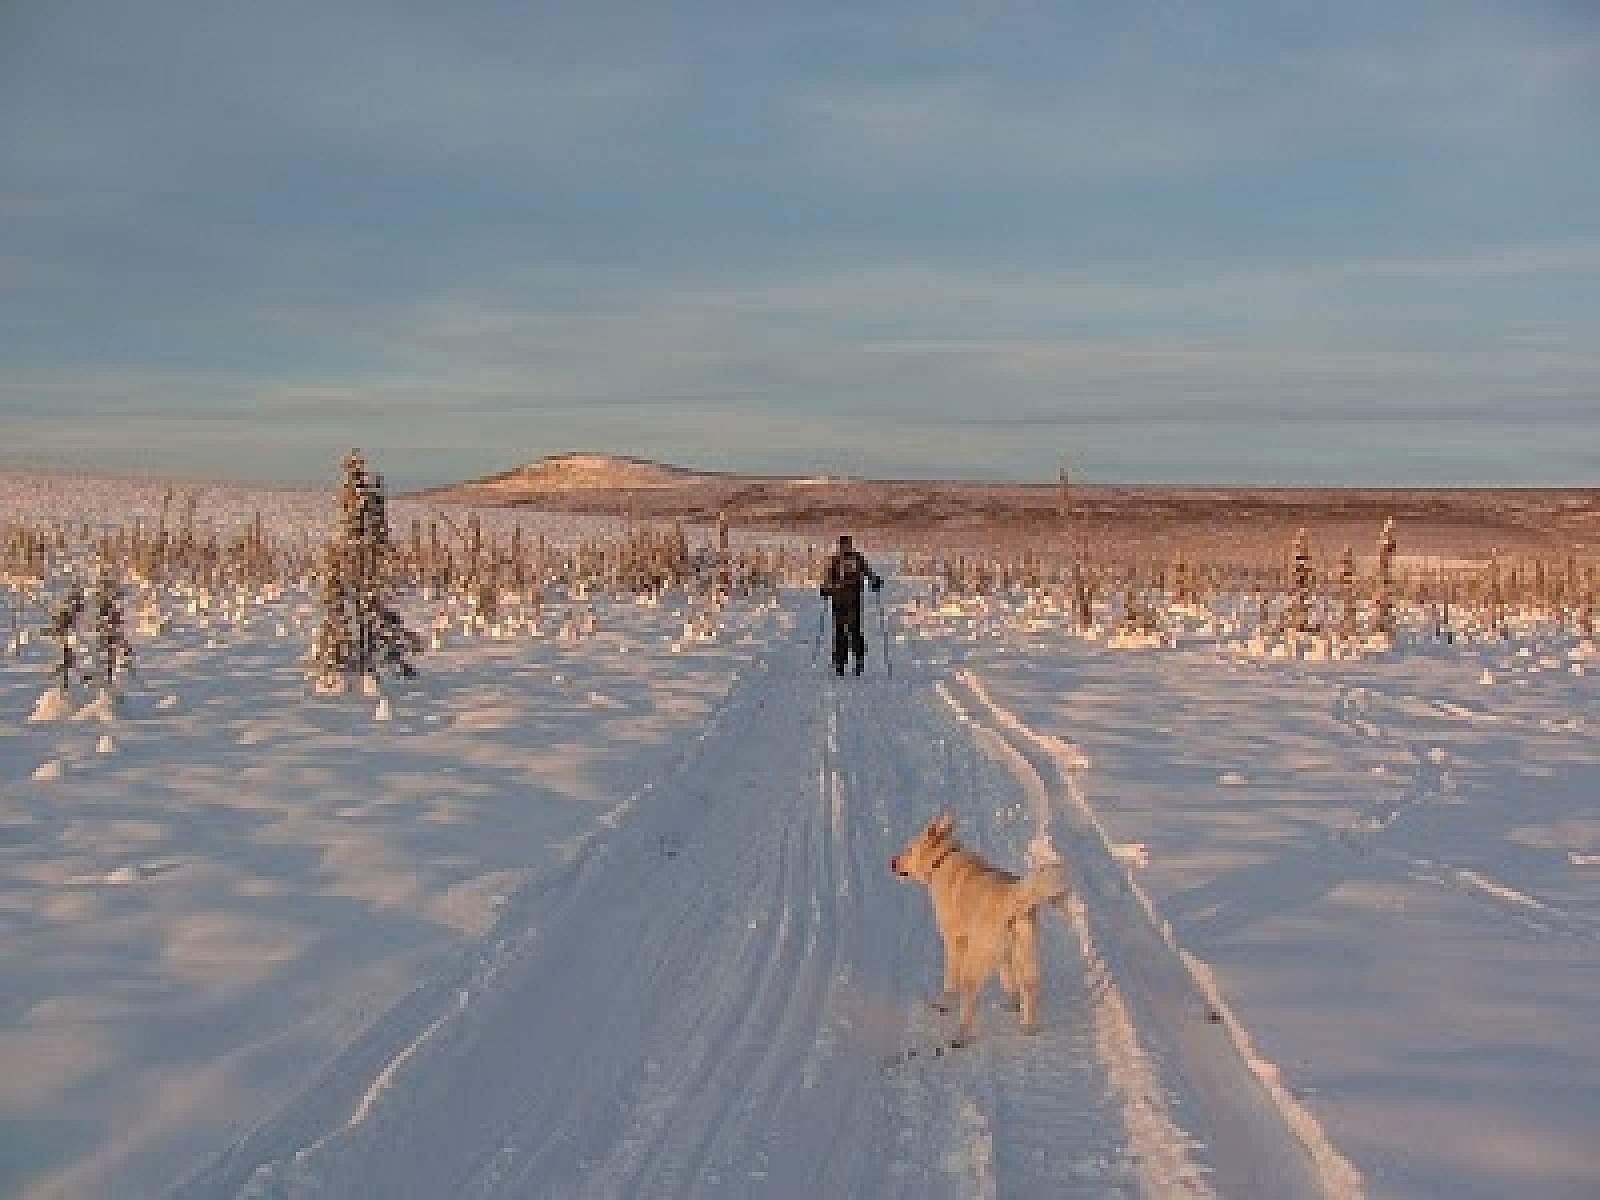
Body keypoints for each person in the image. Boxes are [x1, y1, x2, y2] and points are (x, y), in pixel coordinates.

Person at [820, 533, 883, 676]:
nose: (844, 548)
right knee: (843, 631)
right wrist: (825, 589)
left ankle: (853, 661)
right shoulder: (840, 560)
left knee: (850, 631)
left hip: (850, 600)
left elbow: (868, 573)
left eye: (846, 545)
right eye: (843, 545)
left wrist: (875, 581)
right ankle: (842, 663)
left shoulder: (847, 559)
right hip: (841, 600)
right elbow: (828, 579)